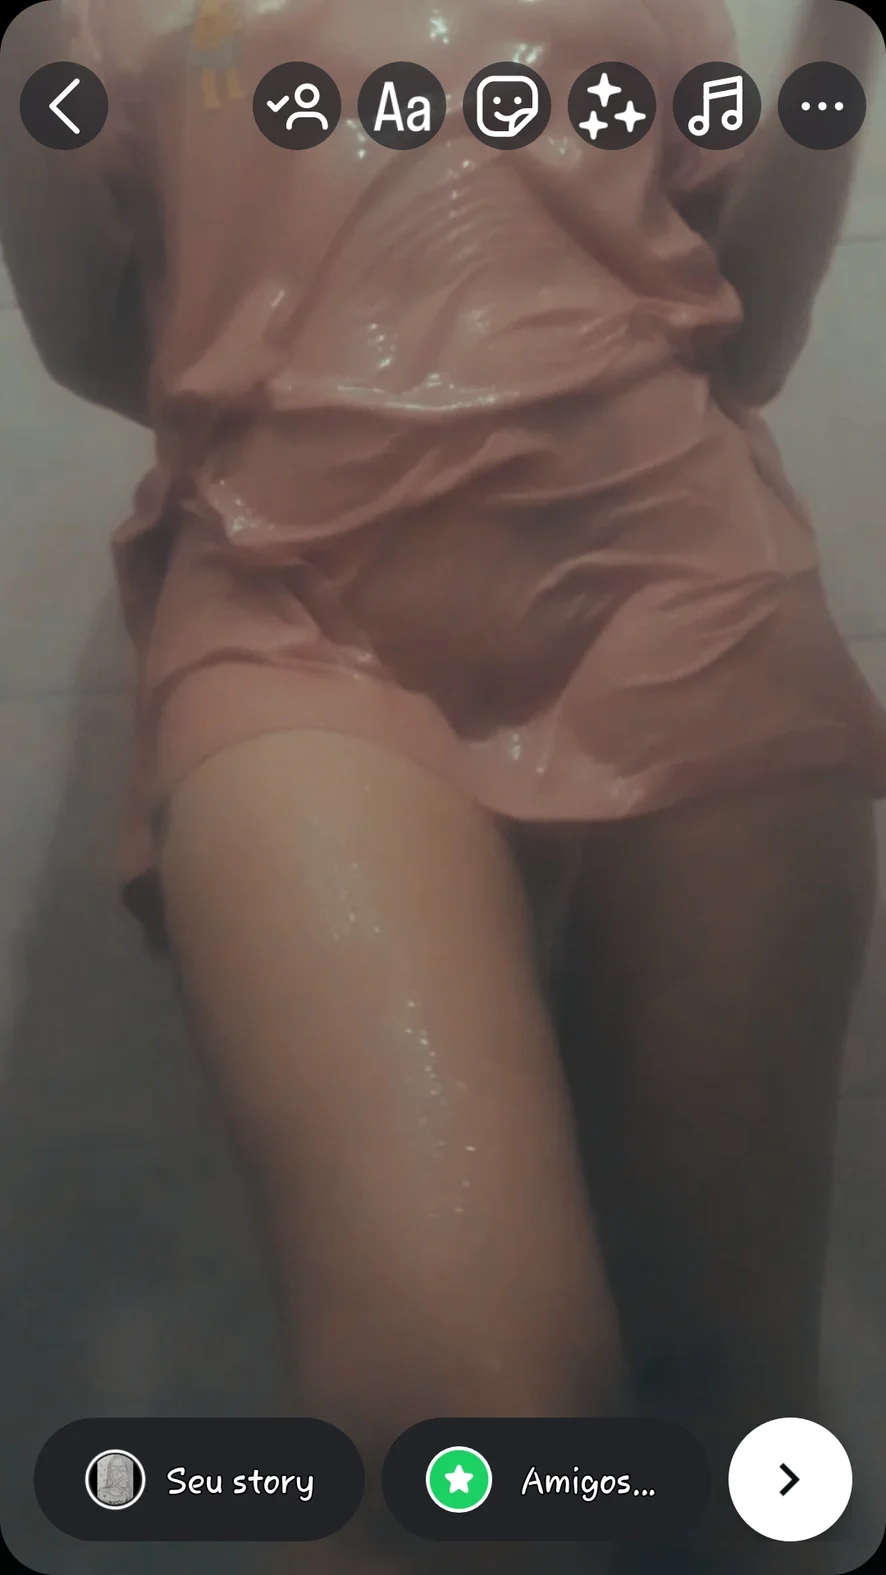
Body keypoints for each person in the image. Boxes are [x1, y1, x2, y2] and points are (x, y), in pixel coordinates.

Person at [2, 3, 885, 1572]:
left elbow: (742, 341)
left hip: (682, 594)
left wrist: (838, 44)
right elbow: (91, 336)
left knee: (727, 1416)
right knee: (458, 1415)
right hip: (296, 608)